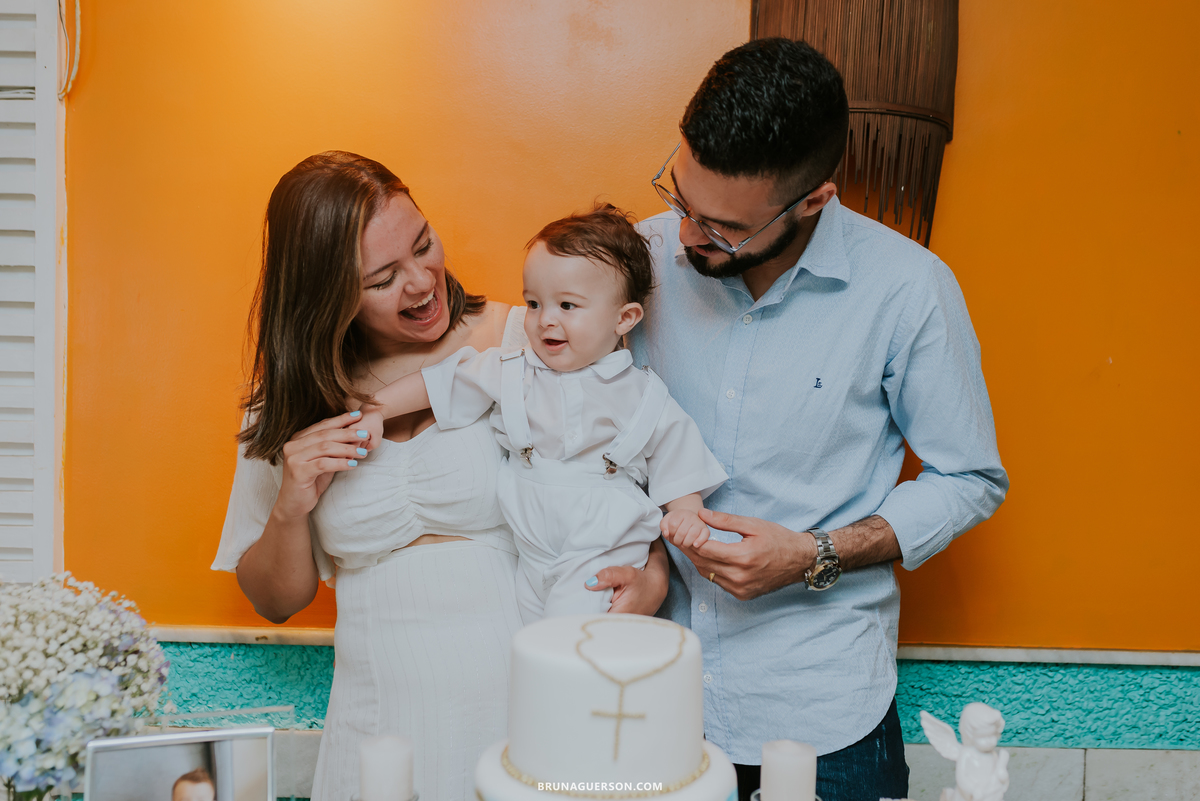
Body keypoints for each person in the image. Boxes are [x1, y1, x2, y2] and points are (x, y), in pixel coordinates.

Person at [211, 152, 669, 801]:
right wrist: (291, 503)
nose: (422, 281)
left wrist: (652, 572)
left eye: (423, 244)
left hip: (519, 701)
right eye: (381, 278)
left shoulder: (530, 338)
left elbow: (622, 472)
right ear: (325, 294)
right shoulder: (287, 402)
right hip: (373, 720)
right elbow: (275, 600)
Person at [630, 39, 1009, 801]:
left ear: (814, 199)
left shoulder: (908, 290)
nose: (690, 236)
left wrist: (816, 553)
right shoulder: (642, 257)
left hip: (823, 711)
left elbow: (969, 478)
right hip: (646, 695)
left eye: (724, 227)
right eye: (682, 199)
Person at [360, 205, 727, 622]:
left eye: (567, 306)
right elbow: (439, 383)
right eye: (533, 303)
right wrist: (377, 409)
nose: (544, 320)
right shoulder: (510, 368)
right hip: (531, 558)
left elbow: (678, 464)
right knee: (529, 649)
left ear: (624, 318)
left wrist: (687, 516)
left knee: (564, 650)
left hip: (599, 548)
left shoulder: (645, 397)